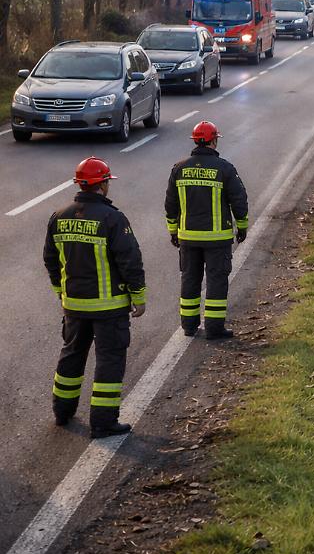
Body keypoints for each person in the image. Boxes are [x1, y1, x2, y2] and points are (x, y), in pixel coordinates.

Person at [45, 157, 146, 438]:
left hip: (74, 306)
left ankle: (62, 412)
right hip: (109, 307)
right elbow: (130, 261)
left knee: (71, 356)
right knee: (109, 360)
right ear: (102, 185)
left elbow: (51, 260)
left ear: (80, 184)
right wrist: (138, 296)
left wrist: (61, 292)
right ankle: (103, 422)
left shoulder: (59, 216)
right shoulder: (112, 218)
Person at [165, 120, 249, 340]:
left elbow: (170, 205)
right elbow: (239, 201)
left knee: (190, 280)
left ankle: (189, 326)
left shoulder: (179, 168)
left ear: (195, 141)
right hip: (217, 240)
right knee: (216, 282)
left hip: (188, 238)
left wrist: (174, 231)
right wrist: (242, 227)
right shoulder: (225, 168)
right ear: (213, 140)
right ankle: (213, 328)